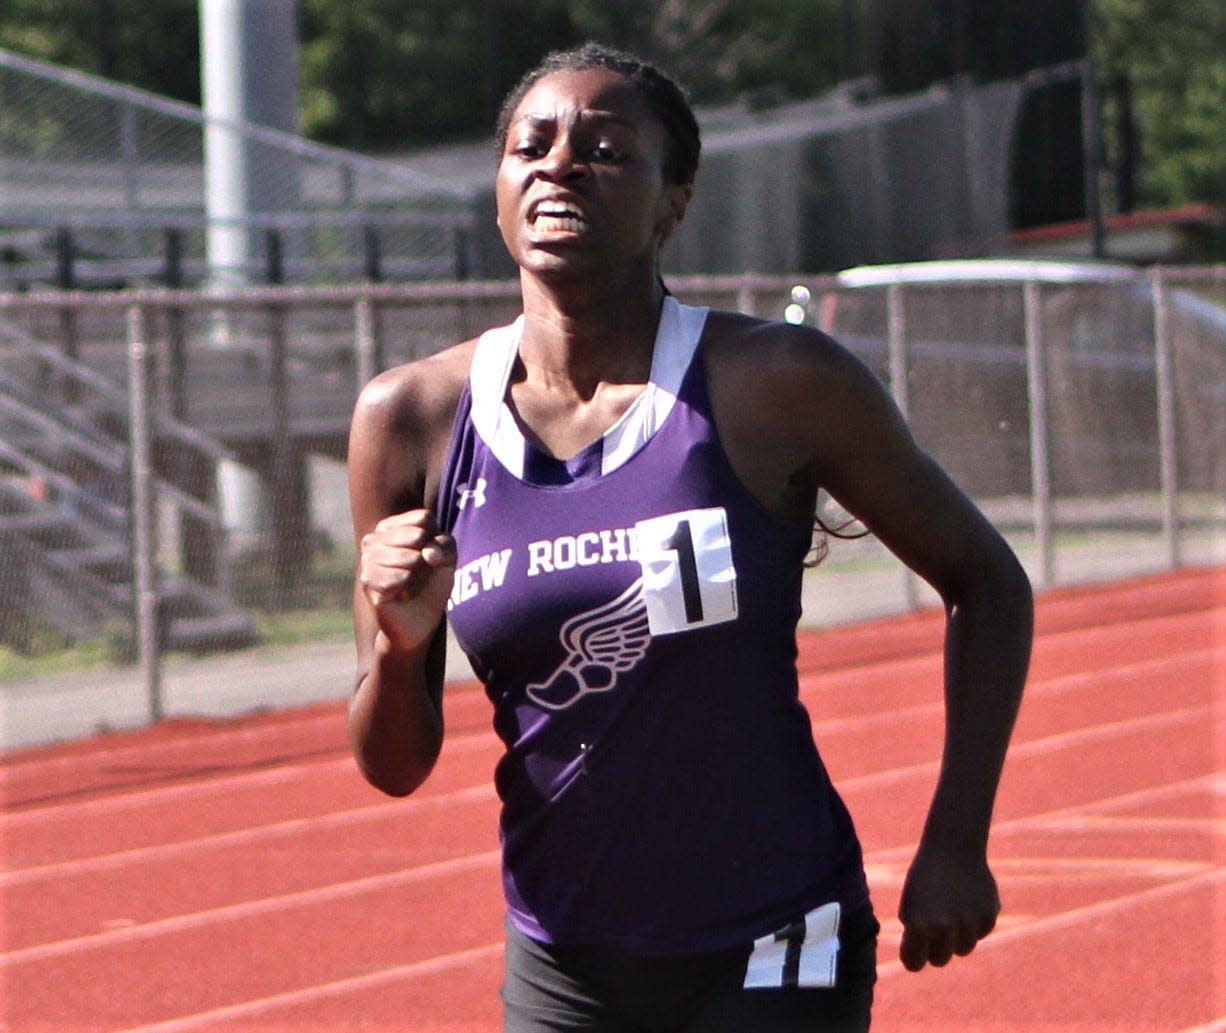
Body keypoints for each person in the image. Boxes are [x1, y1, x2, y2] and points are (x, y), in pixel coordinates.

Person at [346, 42, 1033, 1033]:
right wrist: (397, 640)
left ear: (673, 202)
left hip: (772, 932)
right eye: (529, 145)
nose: (559, 165)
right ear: (497, 190)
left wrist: (956, 838)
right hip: (560, 960)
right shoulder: (409, 419)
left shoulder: (773, 382)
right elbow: (392, 763)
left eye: (606, 149)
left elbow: (985, 580)